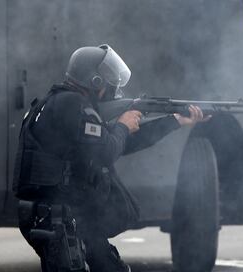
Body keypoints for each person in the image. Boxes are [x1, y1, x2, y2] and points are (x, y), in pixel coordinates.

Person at [13, 44, 208, 272]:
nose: (112, 88)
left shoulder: (60, 102)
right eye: (108, 82)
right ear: (95, 82)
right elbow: (106, 151)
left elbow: (119, 144)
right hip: (55, 218)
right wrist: (123, 126)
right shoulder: (73, 105)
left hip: (59, 215)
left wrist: (174, 121)